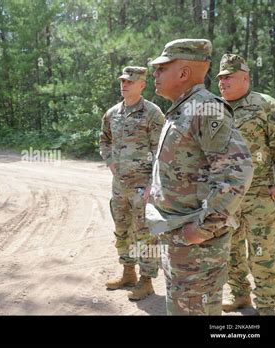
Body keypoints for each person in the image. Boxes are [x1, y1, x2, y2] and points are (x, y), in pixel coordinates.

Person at [145, 39, 253, 315]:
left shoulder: (205, 108)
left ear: (183, 73)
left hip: (197, 244)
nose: (154, 74)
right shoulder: (182, 108)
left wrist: (202, 229)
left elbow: (237, 171)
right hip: (180, 235)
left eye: (161, 68)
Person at [217, 53, 275, 316]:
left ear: (245, 77)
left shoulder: (266, 105)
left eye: (228, 77)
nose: (223, 82)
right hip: (227, 196)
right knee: (230, 249)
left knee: (262, 253)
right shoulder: (215, 108)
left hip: (259, 194)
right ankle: (240, 295)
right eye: (220, 78)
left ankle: (266, 307)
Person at [100, 66, 164, 300]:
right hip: (120, 187)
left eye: (129, 81)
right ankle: (128, 273)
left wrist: (152, 186)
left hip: (143, 187)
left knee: (145, 234)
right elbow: (104, 140)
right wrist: (110, 163)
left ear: (142, 85)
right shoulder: (112, 113)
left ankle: (146, 281)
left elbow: (161, 151)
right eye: (122, 81)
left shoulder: (152, 113)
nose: (124, 84)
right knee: (122, 230)